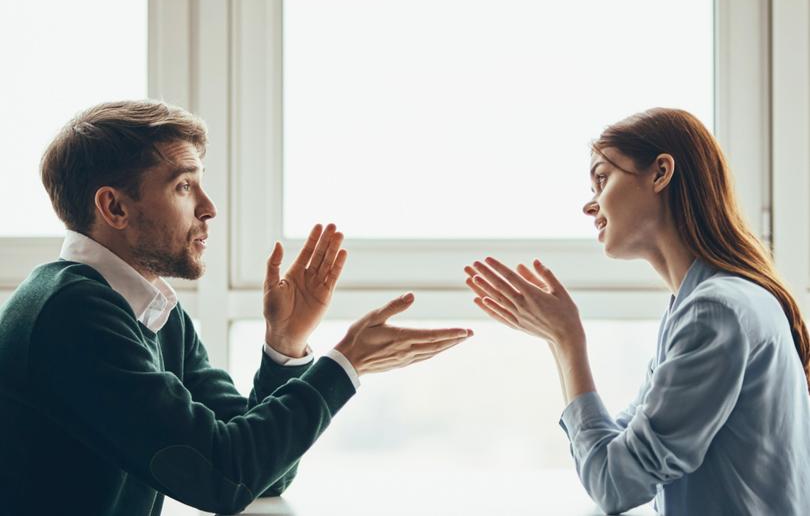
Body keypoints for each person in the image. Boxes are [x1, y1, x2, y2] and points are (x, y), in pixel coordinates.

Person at [0, 100, 473, 516]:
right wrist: (345, 365)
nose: (209, 208)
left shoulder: (152, 312)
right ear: (114, 208)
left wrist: (284, 347)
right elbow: (224, 479)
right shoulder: (73, 315)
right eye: (184, 186)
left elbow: (261, 476)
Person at [464, 108, 810, 515]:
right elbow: (618, 453)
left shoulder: (713, 313)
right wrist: (558, 338)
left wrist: (567, 341)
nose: (589, 206)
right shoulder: (704, 307)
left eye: (601, 179)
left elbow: (614, 485)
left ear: (661, 173)